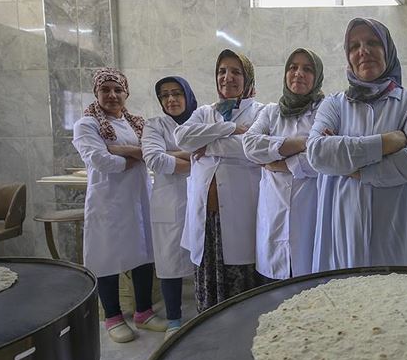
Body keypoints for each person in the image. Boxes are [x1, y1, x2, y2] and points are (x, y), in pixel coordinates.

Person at [306, 18, 407, 271]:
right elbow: (317, 153)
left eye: (373, 42)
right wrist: (388, 142)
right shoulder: (334, 104)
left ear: (388, 50)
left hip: (396, 231)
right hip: (343, 232)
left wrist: (357, 169)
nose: (363, 51)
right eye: (354, 46)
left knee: (397, 303)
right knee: (348, 303)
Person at [72, 68, 166, 343]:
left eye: (118, 90)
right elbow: (101, 161)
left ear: (126, 93)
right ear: (96, 93)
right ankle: (113, 317)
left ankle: (144, 313)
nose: (112, 95)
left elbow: (153, 153)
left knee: (144, 254)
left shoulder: (136, 122)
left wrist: (120, 150)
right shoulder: (86, 125)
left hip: (138, 198)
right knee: (107, 257)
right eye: (106, 90)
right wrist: (134, 157)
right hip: (108, 202)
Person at [175, 50, 265, 312]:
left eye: (236, 72)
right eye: (222, 71)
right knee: (208, 288)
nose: (227, 77)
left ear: (248, 78)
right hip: (206, 219)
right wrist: (229, 129)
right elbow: (182, 138)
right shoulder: (205, 112)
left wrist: (208, 145)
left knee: (242, 289)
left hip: (241, 215)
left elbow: (252, 148)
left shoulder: (262, 112)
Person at [243, 49, 324, 280]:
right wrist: (301, 143)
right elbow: (249, 145)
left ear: (317, 75)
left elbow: (323, 156)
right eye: (293, 67)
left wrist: (279, 163)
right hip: (273, 215)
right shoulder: (270, 112)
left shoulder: (325, 111)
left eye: (307, 69)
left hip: (311, 214)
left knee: (311, 291)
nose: (298, 73)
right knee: (273, 294)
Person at [141, 76, 198, 338]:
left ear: (187, 95)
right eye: (165, 95)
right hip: (168, 203)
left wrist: (171, 153)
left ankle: (204, 312)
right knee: (169, 262)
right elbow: (153, 159)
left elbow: (216, 150)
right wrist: (194, 158)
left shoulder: (201, 119)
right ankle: (174, 320)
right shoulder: (154, 125)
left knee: (201, 260)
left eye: (177, 93)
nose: (171, 99)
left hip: (200, 200)